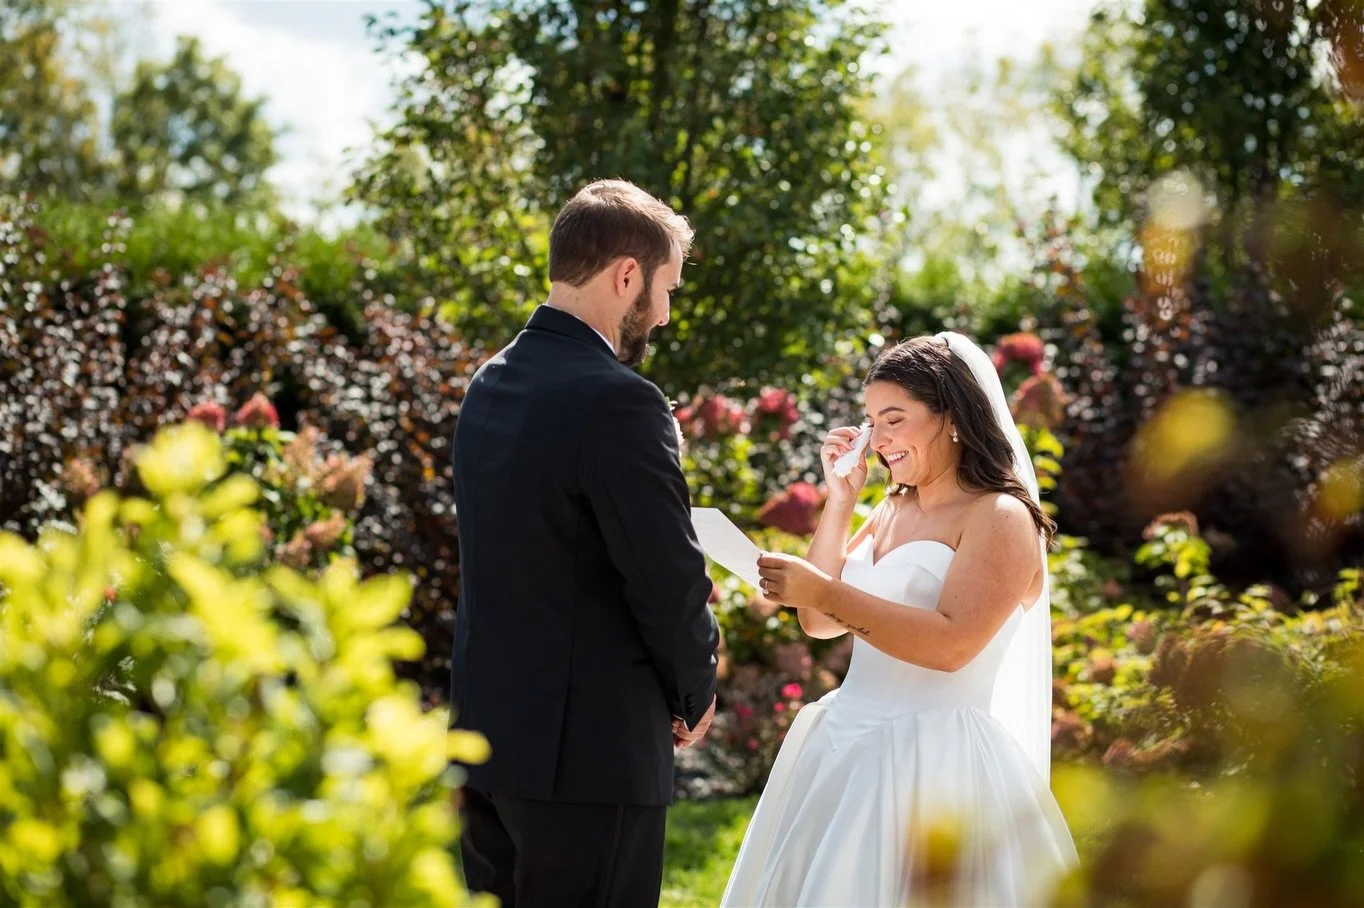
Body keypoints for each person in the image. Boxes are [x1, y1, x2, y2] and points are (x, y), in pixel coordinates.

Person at [722, 333, 1078, 907]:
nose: (877, 439)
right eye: (869, 420)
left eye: (894, 419)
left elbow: (952, 645)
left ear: (953, 419)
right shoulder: (892, 507)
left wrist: (823, 590)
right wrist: (839, 500)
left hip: (937, 760)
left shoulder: (1001, 516)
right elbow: (817, 620)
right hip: (844, 743)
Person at [450, 179, 720, 908]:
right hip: (590, 759)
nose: (663, 315)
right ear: (625, 275)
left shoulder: (489, 383)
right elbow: (666, 577)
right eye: (666, 288)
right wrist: (696, 689)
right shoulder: (619, 400)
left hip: (487, 746)